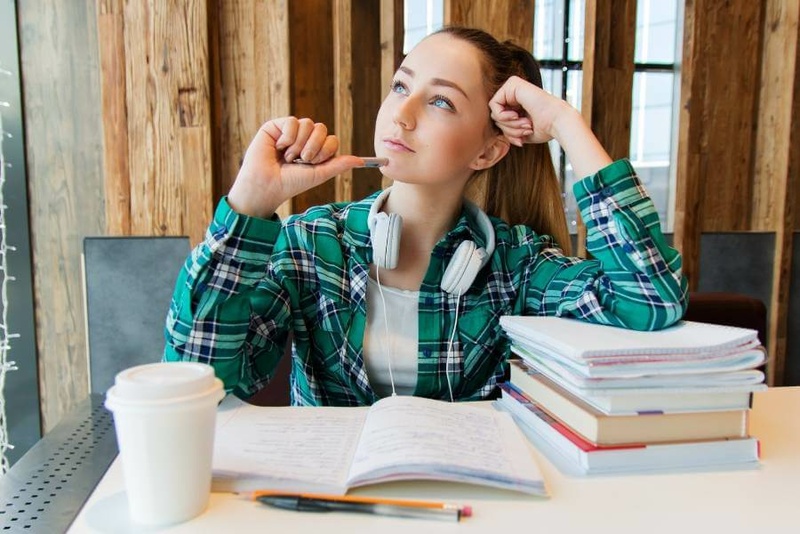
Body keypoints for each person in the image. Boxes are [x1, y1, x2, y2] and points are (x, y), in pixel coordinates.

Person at [164, 26, 687, 405]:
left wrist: (567, 125)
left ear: (487, 151)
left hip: (465, 504)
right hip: (332, 503)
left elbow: (650, 298)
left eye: (440, 102)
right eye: (400, 86)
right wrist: (250, 202)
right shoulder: (311, 243)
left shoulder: (518, 264)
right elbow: (198, 377)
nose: (403, 113)